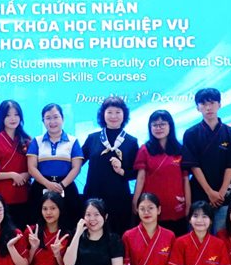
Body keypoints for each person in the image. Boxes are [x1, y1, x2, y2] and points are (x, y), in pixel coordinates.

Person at [182, 88, 231, 233]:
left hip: (225, 197)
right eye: (203, 104)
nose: (208, 108)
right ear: (198, 107)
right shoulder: (191, 133)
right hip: (200, 194)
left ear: (219, 105)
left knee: (222, 238)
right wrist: (210, 192)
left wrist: (220, 194)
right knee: (199, 237)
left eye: (212, 103)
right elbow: (193, 166)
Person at [82, 96, 139, 236]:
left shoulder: (131, 142)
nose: (114, 116)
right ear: (103, 114)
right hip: (94, 196)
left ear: (124, 115)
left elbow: (137, 173)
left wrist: (122, 171)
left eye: (118, 112)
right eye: (109, 112)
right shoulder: (92, 138)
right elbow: (77, 163)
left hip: (119, 199)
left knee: (117, 236)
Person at [132, 110, 190, 236]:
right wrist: (135, 202)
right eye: (155, 125)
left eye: (162, 124)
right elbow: (140, 178)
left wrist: (188, 205)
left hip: (175, 207)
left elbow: (185, 179)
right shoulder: (144, 150)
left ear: (170, 126)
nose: (159, 128)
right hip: (150, 208)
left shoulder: (180, 150)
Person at [26, 103, 84, 224]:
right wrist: (47, 184)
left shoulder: (73, 141)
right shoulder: (37, 141)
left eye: (56, 117)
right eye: (48, 118)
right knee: (37, 222)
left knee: (69, 222)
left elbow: (76, 168)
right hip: (41, 186)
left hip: (66, 186)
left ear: (62, 119)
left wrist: (61, 185)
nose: (52, 121)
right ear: (43, 121)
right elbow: (31, 168)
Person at [0, 99, 32, 223]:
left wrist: (27, 174)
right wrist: (12, 175)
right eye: (8, 115)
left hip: (23, 194)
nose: (13, 118)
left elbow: (34, 168)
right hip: (1, 196)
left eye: (16, 114)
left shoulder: (27, 140)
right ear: (2, 117)